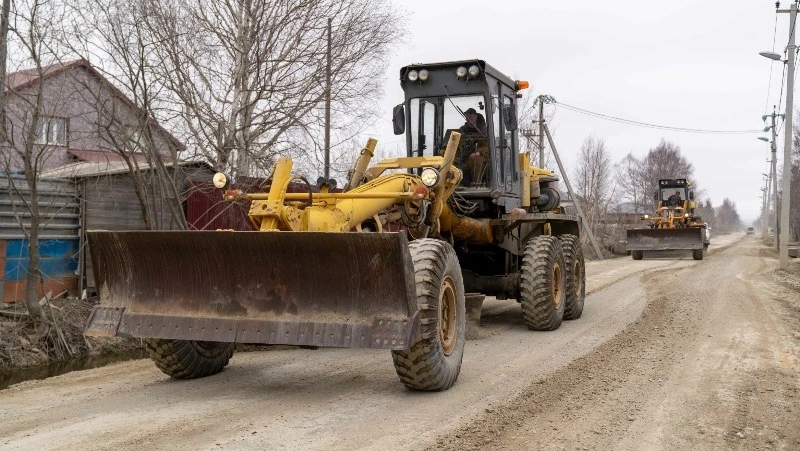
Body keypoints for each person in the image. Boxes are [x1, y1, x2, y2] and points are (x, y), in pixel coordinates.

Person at [457, 108, 489, 186]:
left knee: (476, 160)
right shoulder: (462, 130)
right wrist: (444, 149)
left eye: (470, 117)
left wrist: (479, 152)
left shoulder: (484, 131)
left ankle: (476, 184)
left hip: (482, 158)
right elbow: (455, 141)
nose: (468, 119)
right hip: (464, 159)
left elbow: (490, 147)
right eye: (467, 117)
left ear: (476, 117)